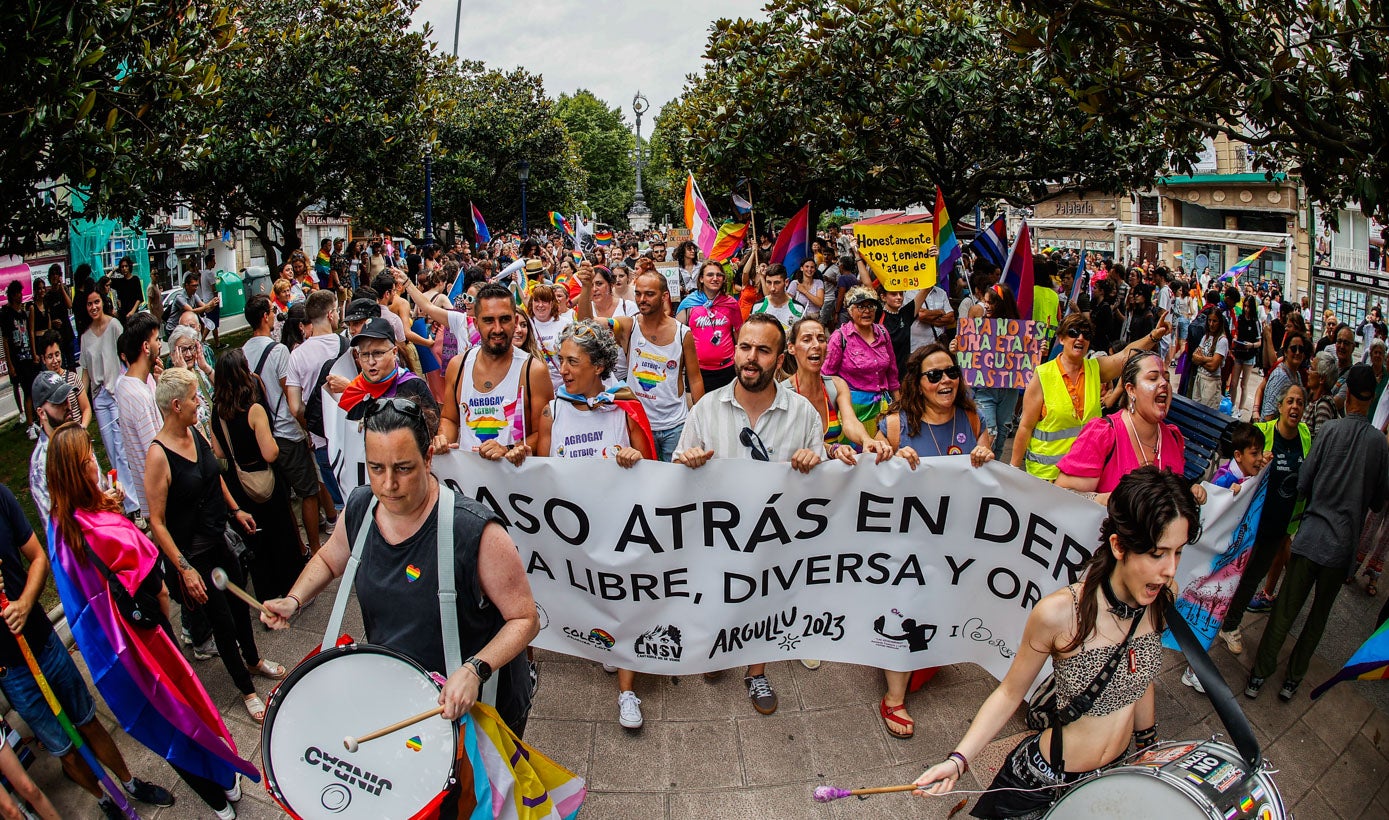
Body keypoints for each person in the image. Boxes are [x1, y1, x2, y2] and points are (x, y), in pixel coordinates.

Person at [913, 467, 1199, 817]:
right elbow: (1009, 692)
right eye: (1158, 553)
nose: (1171, 569)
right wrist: (958, 761)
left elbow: (1139, 677)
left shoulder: (1160, 598)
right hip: (1047, 780)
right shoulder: (1059, 613)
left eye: (1179, 552)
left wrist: (1148, 746)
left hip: (1113, 777)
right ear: (1119, 545)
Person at [260, 398, 540, 748]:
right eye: (376, 468)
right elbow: (332, 557)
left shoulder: (475, 531)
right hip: (402, 696)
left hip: (480, 709)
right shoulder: (361, 506)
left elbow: (525, 619)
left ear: (427, 459)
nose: (388, 484)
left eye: (403, 468)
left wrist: (475, 669)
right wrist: (294, 599)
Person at [46, 424, 254, 819]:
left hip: (112, 657)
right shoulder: (101, 527)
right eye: (89, 457)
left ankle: (215, 800)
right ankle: (225, 780)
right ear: (77, 470)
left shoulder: (59, 529)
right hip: (148, 638)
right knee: (188, 706)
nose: (96, 461)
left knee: (165, 727)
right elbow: (155, 585)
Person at [674, 314, 825, 715]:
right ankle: (720, 651)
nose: (751, 358)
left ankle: (755, 671)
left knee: (765, 601)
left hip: (776, 538)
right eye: (745, 347)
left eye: (763, 349)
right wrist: (685, 460)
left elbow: (825, 485)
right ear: (734, 349)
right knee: (720, 596)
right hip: (719, 539)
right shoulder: (706, 408)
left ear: (780, 359)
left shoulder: (804, 414)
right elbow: (675, 475)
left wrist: (815, 462)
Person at [144, 368, 285, 723]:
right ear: (176, 405)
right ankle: (246, 690)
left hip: (219, 541)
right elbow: (156, 522)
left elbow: (214, 477)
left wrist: (236, 511)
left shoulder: (194, 433)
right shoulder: (158, 455)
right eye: (194, 398)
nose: (200, 403)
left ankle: (253, 659)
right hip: (194, 555)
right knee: (222, 622)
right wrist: (184, 568)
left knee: (240, 608)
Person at [532, 320, 655, 728]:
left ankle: (627, 692)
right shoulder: (553, 410)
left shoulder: (624, 403)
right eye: (560, 360)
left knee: (622, 602)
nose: (562, 369)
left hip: (619, 527)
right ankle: (605, 646)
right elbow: (544, 470)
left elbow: (651, 465)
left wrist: (634, 458)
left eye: (572, 361)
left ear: (599, 365)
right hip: (574, 530)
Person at [1247, 365, 1389, 701]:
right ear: (1369, 402)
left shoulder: (1329, 432)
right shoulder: (1379, 445)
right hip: (1342, 547)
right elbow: (1380, 502)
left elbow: (1304, 482)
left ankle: (1258, 675)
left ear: (1349, 395)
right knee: (1318, 617)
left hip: (1311, 536)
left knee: (1285, 609)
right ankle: (1292, 680)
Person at [1216, 383, 1311, 659]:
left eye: (1300, 403)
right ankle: (1205, 618)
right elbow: (1239, 461)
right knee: (1229, 571)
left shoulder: (1305, 436)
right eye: (1290, 401)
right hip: (1249, 521)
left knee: (1252, 578)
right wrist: (1259, 462)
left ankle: (1230, 625)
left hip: (1278, 526)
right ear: (1279, 407)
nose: (1295, 407)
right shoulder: (1264, 434)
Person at [1013, 312, 1167, 481]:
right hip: (1045, 477)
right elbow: (1025, 427)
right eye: (1073, 332)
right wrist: (1012, 471)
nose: (1080, 338)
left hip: (1083, 476)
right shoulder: (1043, 375)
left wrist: (1154, 336)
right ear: (1062, 338)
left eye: (1086, 335)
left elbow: (1126, 356)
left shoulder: (1095, 369)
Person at [577, 266, 703, 462]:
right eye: (638, 294)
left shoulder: (682, 333)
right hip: (639, 423)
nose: (642, 299)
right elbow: (586, 324)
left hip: (676, 425)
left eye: (650, 294)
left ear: (664, 296)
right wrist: (586, 289)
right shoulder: (628, 326)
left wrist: (700, 419)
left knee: (676, 484)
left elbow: (694, 379)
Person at [211, 349, 305, 603]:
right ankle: (291, 589)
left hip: (238, 484)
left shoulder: (217, 411)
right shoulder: (253, 410)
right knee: (280, 535)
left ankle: (266, 593)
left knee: (256, 542)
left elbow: (218, 451)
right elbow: (271, 453)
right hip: (264, 481)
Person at [1057, 351, 1204, 507]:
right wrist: (1102, 500)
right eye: (1153, 378)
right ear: (1131, 389)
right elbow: (1063, 494)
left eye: (1166, 379)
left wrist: (1188, 492)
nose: (1164, 384)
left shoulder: (1173, 438)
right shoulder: (1103, 434)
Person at [243, 295, 333, 552]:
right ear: (264, 317)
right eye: (271, 312)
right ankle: (315, 548)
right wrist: (308, 429)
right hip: (287, 432)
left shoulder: (244, 351)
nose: (274, 315)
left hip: (263, 432)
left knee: (283, 495)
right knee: (308, 491)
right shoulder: (278, 351)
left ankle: (296, 546)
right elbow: (290, 394)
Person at [432, 283, 552, 460]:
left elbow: (543, 433)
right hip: (468, 481)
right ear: (476, 322)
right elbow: (450, 419)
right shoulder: (458, 367)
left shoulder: (533, 371)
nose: (497, 329)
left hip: (515, 482)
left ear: (516, 321)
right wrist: (443, 439)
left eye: (504, 319)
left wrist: (509, 449)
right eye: (488, 320)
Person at [786, 316, 891, 465]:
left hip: (833, 477)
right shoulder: (783, 392)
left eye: (821, 339)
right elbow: (792, 443)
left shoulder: (836, 386)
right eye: (807, 339)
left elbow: (850, 422)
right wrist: (832, 449)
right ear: (792, 348)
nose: (816, 344)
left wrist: (866, 439)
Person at [286, 290, 347, 513]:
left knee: (340, 505)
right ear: (331, 314)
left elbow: (294, 407)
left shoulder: (297, 356)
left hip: (321, 440)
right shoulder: (347, 346)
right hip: (349, 432)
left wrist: (312, 423)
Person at [824, 287, 900, 435]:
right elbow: (826, 376)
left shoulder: (883, 333)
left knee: (883, 450)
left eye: (870, 306)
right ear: (850, 311)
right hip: (852, 410)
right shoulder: (840, 338)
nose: (867, 311)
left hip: (882, 407)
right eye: (860, 307)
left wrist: (899, 405)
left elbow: (892, 373)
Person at [113, 312, 165, 526]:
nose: (160, 345)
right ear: (145, 347)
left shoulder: (126, 384)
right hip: (160, 500)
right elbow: (154, 454)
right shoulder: (138, 395)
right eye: (156, 340)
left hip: (152, 502)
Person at [334, 317, 440, 420]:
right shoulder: (354, 392)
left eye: (378, 353)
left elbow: (433, 426)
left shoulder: (414, 386)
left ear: (394, 352)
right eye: (365, 354)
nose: (371, 362)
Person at [969, 284, 1025, 460]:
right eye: (985, 301)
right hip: (984, 391)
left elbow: (1025, 357)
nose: (986, 306)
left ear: (1002, 304)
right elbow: (967, 355)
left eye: (991, 302)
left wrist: (1038, 348)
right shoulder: (977, 327)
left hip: (1009, 392)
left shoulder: (1019, 330)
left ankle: (994, 472)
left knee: (1000, 436)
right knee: (989, 433)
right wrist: (956, 347)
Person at [677, 261, 744, 391]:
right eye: (710, 275)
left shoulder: (731, 304)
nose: (715, 278)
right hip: (697, 370)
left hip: (727, 369)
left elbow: (739, 335)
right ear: (701, 278)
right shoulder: (689, 303)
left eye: (719, 275)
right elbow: (678, 337)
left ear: (723, 279)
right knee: (699, 409)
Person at [0, 281, 38, 438]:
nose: (21, 296)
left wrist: (33, 353)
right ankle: (29, 424)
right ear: (13, 295)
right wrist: (10, 364)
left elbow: (29, 332)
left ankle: (33, 420)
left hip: (28, 355)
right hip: (17, 359)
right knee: (26, 390)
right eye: (19, 293)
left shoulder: (22, 313)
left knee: (32, 388)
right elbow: (6, 339)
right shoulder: (6, 314)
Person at [35, 330, 89, 427]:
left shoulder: (73, 377)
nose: (55, 361)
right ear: (43, 359)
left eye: (57, 354)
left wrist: (82, 427)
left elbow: (86, 408)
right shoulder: (41, 386)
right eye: (50, 357)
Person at [1191, 309, 1230, 409]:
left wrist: (1201, 359)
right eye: (1209, 320)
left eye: (1214, 321)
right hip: (1199, 377)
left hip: (1211, 382)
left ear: (1219, 322)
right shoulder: (1205, 337)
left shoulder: (1222, 341)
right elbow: (1194, 357)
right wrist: (1208, 359)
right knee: (1196, 409)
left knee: (1207, 412)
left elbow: (1213, 366)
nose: (1211, 324)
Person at [752, 263, 805, 331]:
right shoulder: (758, 307)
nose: (772, 288)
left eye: (777, 283)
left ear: (786, 282)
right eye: (769, 282)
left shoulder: (799, 309)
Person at [1306, 350, 1341, 436]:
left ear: (1321, 379)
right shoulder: (1314, 400)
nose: (1308, 371)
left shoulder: (1323, 407)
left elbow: (1320, 442)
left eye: (1312, 368)